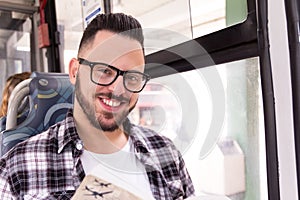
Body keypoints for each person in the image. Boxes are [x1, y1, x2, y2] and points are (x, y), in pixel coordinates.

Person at [0, 13, 195, 199]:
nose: (118, 90)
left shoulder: (167, 153)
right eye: (104, 71)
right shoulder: (17, 169)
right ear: (75, 72)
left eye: (133, 77)